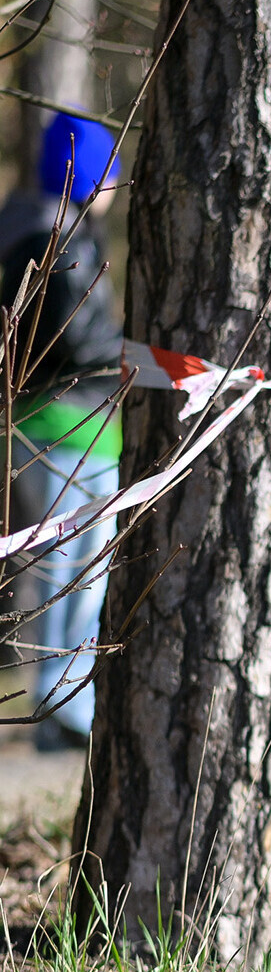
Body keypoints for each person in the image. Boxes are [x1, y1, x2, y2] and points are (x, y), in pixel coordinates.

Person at [0, 113, 125, 752]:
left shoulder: (41, 226)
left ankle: (67, 705)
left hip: (75, 429)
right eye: (110, 174)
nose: (116, 189)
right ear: (87, 174)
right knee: (68, 573)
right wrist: (145, 354)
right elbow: (76, 339)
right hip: (63, 427)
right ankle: (61, 711)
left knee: (73, 572)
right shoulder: (59, 234)